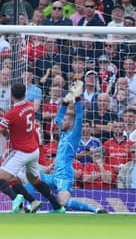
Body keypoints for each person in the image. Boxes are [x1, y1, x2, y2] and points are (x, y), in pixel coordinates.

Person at [0, 83, 63, 213]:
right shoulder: (31, 107)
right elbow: (16, 119)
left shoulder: (11, 114)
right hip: (34, 152)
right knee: (35, 180)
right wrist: (2, 115)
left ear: (11, 95)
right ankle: (57, 206)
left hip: (21, 152)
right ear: (25, 94)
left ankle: (15, 199)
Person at [40, 80, 107, 213]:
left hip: (64, 175)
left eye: (64, 121)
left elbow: (80, 117)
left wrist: (76, 98)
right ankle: (29, 204)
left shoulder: (74, 136)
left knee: (64, 201)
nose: (60, 122)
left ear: (70, 123)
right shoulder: (63, 134)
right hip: (55, 175)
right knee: (32, 178)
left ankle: (96, 210)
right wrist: (66, 100)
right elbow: (59, 115)